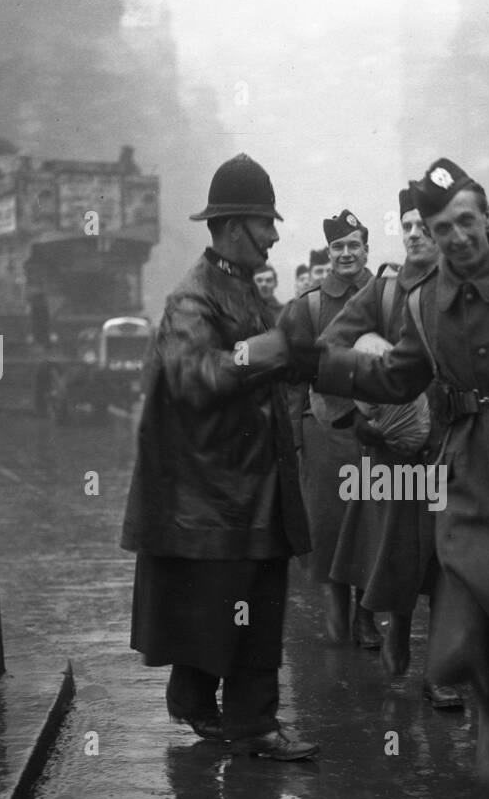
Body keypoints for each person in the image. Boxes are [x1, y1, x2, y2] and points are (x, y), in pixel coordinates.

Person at [285, 157, 489, 799]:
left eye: (466, 221)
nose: (457, 238)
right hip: (463, 468)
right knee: (468, 607)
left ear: (485, 215)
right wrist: (316, 363)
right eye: (443, 229)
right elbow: (397, 374)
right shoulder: (419, 301)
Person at [120, 153, 317, 761]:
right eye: (267, 223)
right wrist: (268, 349)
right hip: (218, 496)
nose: (276, 235)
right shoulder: (192, 298)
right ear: (235, 228)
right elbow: (192, 376)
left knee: (244, 610)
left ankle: (218, 710)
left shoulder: (242, 290)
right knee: (238, 615)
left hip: (249, 489)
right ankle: (243, 722)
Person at [319, 184, 463, 707]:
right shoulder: (382, 293)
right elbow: (330, 348)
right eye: (406, 226)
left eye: (425, 226)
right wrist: (358, 413)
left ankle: (440, 672)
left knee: (450, 558)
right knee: (403, 552)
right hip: (397, 446)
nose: (415, 234)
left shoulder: (462, 285)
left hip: (454, 439)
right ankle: (396, 626)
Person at [280, 211, 380, 647]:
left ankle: (366, 614)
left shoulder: (388, 296)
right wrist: (296, 441)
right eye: (337, 247)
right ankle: (338, 608)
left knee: (376, 525)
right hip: (325, 433)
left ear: (366, 249)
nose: (345, 254)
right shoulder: (310, 305)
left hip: (379, 429)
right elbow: (292, 379)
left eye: (353, 245)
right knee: (331, 526)